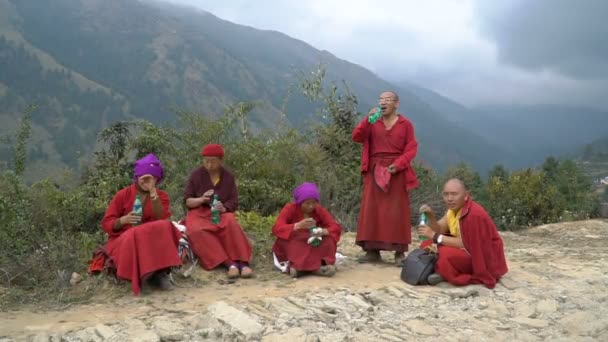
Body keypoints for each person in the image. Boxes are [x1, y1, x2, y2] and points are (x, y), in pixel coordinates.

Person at [91, 153, 182, 295]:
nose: (146, 182)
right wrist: (123, 220)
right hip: (125, 239)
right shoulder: (123, 195)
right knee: (136, 232)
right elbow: (107, 223)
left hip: (151, 240)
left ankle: (160, 273)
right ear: (137, 178)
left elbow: (162, 217)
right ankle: (142, 275)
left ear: (157, 179)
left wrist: (153, 193)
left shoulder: (161, 195)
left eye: (150, 179)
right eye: (143, 179)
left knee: (165, 226)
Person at [352, 91, 419, 265]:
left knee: (397, 211)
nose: (383, 103)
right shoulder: (373, 122)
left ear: (396, 104)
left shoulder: (406, 125)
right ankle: (372, 251)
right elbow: (356, 137)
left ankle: (399, 253)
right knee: (372, 210)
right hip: (375, 169)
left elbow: (411, 149)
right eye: (381, 100)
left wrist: (398, 164)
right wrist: (367, 119)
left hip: (397, 170)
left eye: (387, 100)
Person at [418, 178, 508, 288]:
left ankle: (445, 273)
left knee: (444, 255)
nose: (449, 199)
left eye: (454, 194)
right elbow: (440, 229)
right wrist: (431, 216)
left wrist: (434, 236)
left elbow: (464, 243)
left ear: (466, 195)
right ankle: (441, 269)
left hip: (481, 258)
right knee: (427, 243)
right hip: (465, 250)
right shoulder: (452, 211)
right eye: (446, 194)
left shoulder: (473, 214)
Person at [183, 144, 253, 279]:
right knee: (195, 231)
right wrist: (202, 199)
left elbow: (233, 201)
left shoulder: (228, 176)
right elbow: (188, 201)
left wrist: (224, 208)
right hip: (199, 212)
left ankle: (243, 263)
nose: (209, 164)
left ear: (221, 161)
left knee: (231, 223)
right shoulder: (196, 175)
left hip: (221, 212)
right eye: (206, 161)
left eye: (213, 161)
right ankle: (229, 263)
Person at [272, 182, 342, 278]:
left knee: (328, 240)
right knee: (297, 244)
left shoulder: (319, 210)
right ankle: (315, 268)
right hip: (295, 238)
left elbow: (334, 227)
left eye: (314, 202)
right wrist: (297, 225)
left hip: (313, 238)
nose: (311, 206)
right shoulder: (289, 208)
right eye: (307, 203)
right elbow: (277, 228)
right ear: (300, 202)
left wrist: (322, 231)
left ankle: (304, 269)